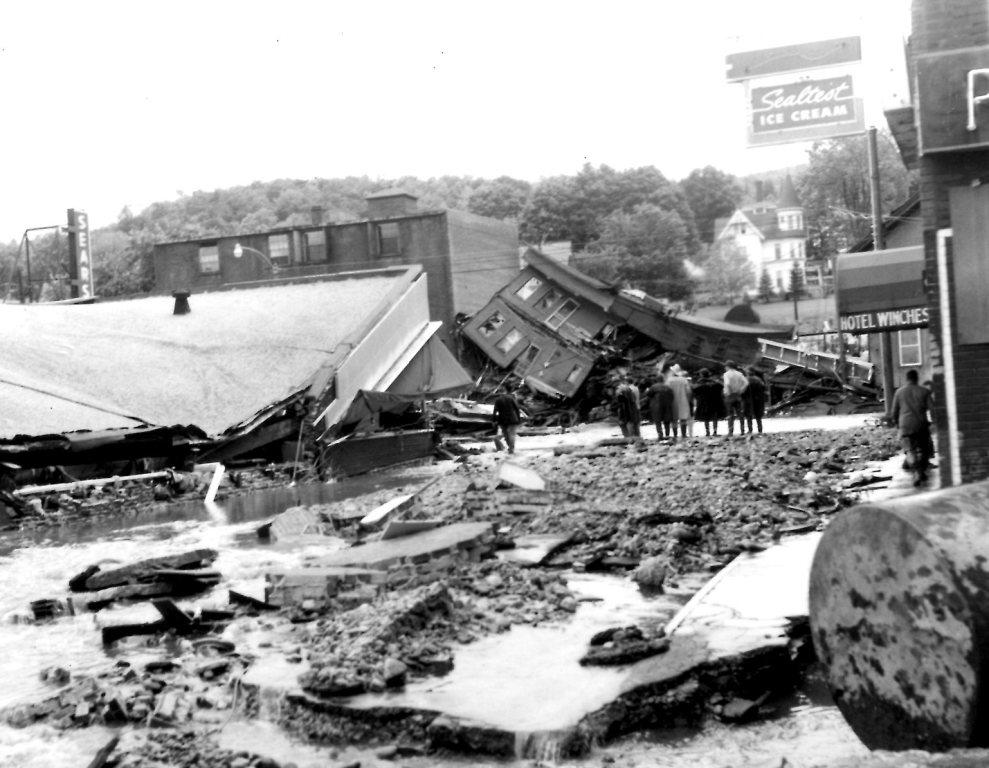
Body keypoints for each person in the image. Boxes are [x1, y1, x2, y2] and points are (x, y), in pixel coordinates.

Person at [890, 369, 934, 486]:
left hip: (905, 426)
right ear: (917, 378)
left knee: (910, 450)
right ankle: (921, 471)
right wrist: (933, 422)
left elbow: (894, 412)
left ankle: (917, 471)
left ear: (907, 379)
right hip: (921, 425)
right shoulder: (924, 391)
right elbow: (932, 409)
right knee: (924, 450)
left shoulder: (899, 392)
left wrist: (897, 425)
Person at [692, 368, 725, 436]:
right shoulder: (715, 382)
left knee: (706, 417)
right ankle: (715, 431)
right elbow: (721, 387)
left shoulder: (699, 383)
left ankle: (707, 431)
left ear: (701, 375)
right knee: (714, 417)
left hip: (704, 403)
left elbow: (694, 391)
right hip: (714, 402)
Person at [666, 365, 693, 438]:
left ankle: (675, 435)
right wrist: (688, 400)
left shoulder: (669, 380)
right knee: (683, 418)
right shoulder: (684, 380)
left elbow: (666, 391)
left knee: (674, 419)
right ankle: (684, 434)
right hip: (683, 401)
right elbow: (689, 392)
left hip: (673, 401)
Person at [722, 360, 749, 436]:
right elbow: (746, 383)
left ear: (728, 367)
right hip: (737, 395)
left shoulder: (726, 374)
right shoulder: (739, 374)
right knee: (740, 413)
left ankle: (730, 432)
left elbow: (727, 384)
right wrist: (741, 390)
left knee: (730, 414)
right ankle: (742, 431)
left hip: (730, 395)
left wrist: (730, 392)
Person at [492, 389, 523, 454]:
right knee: (512, 434)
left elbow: (495, 411)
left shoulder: (498, 400)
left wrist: (494, 420)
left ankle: (510, 447)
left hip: (502, 419)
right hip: (513, 418)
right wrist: (519, 419)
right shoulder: (511, 398)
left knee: (506, 435)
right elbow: (517, 408)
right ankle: (511, 449)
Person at [645, 374, 675, 439]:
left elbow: (648, 396)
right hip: (667, 406)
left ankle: (660, 434)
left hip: (656, 406)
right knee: (667, 421)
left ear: (656, 379)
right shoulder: (668, 387)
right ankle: (667, 434)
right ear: (663, 379)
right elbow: (672, 397)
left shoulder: (653, 387)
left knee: (657, 421)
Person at [742, 367, 767, 434]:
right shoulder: (759, 380)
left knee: (748, 415)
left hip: (748, 400)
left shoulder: (746, 380)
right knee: (758, 416)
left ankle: (750, 430)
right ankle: (760, 429)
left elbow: (743, 391)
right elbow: (764, 389)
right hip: (758, 400)